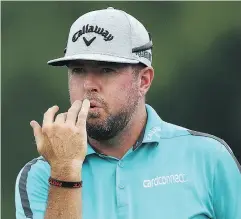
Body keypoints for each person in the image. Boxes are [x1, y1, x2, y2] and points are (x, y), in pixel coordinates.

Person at [15, 7, 241, 219]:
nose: (88, 85)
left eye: (106, 70)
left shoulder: (209, 158)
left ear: (143, 81)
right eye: (78, 70)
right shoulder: (41, 174)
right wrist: (64, 171)